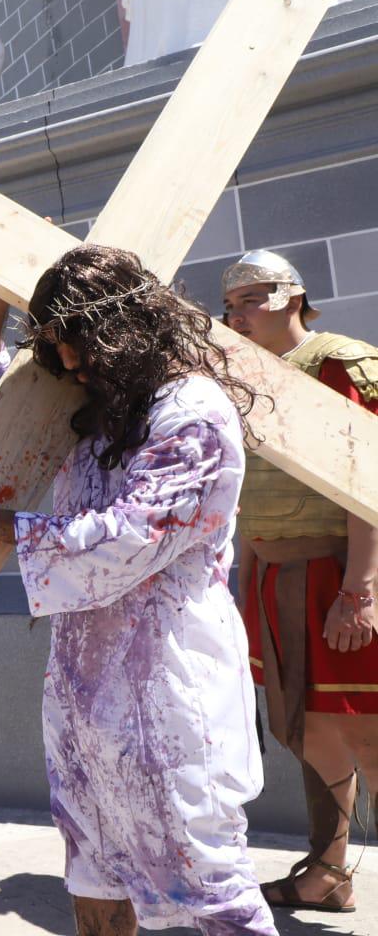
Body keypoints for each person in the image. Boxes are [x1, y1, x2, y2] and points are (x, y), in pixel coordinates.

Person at [0, 245, 272, 934]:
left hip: (170, 688)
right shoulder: (87, 407)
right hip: (83, 691)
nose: (71, 364)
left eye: (76, 344)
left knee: (209, 887)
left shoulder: (192, 411)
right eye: (56, 349)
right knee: (94, 873)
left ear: (122, 328)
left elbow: (135, 536)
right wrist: (2, 276)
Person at [221, 250, 378, 914]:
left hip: (337, 574)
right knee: (307, 729)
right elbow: (248, 493)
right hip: (271, 575)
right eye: (230, 306)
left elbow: (368, 474)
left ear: (290, 297)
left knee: (368, 728)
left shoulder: (341, 361)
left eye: (249, 301)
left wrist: (361, 589)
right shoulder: (240, 376)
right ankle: (327, 872)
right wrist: (241, 588)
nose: (236, 316)